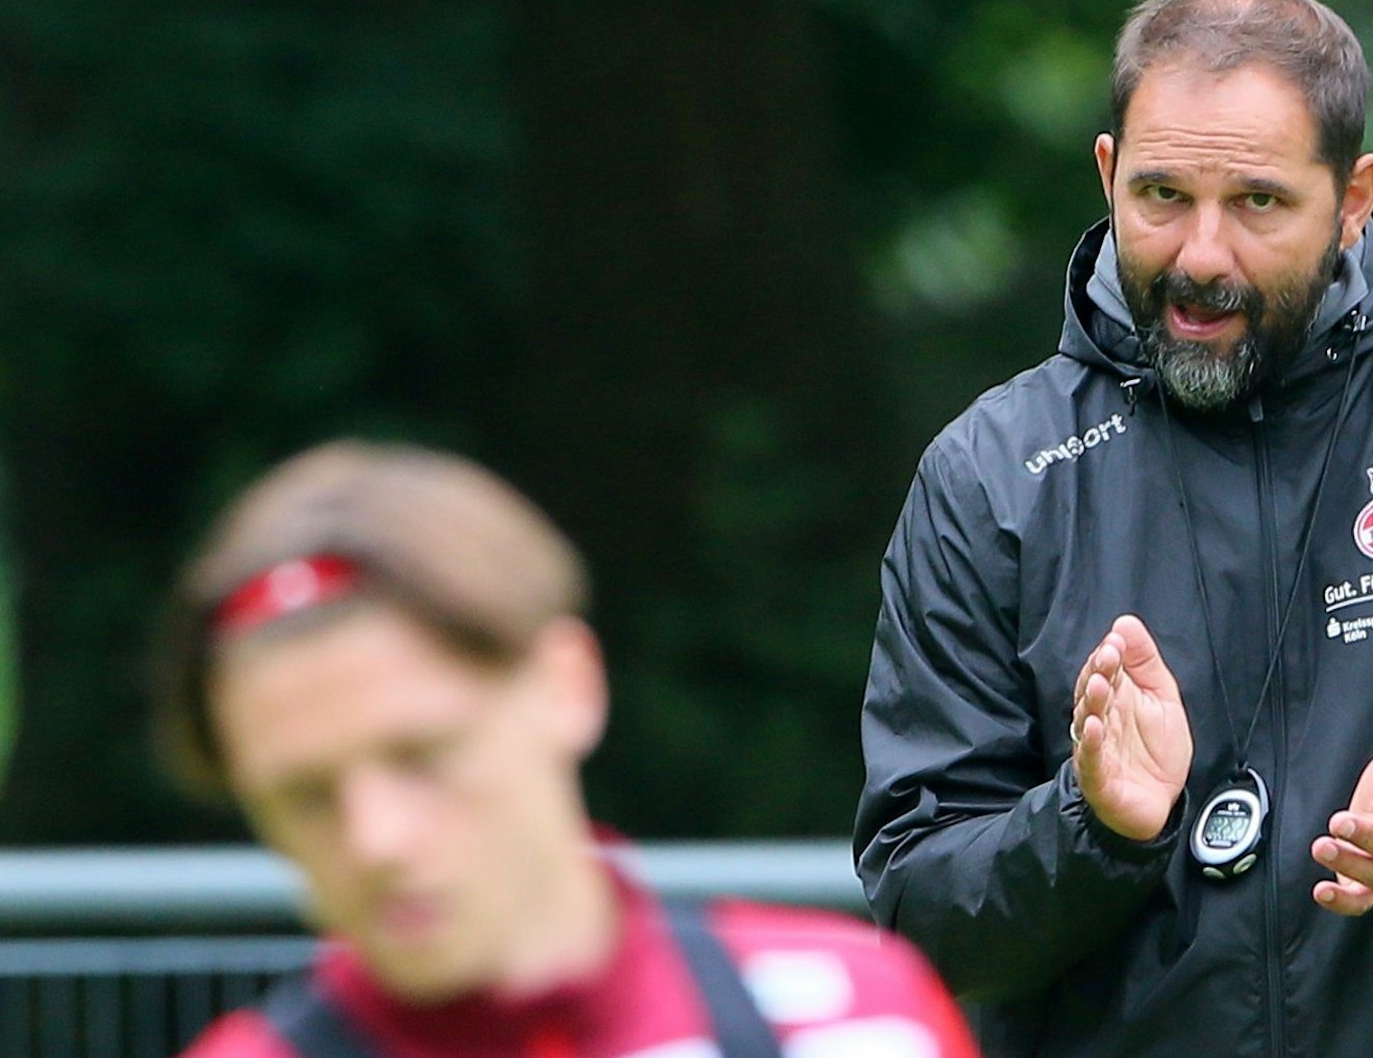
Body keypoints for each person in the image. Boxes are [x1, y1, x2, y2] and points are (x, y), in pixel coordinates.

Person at [854, 0, 1373, 1057]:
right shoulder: (990, 474)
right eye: (1161, 197)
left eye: (1255, 203)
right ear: (1107, 175)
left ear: (1352, 199)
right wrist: (1088, 827)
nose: (1200, 257)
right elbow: (920, 916)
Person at [159, 441, 980, 1058]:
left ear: (566, 684)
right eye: (301, 795)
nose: (375, 839)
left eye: (423, 755)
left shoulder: (857, 1020)